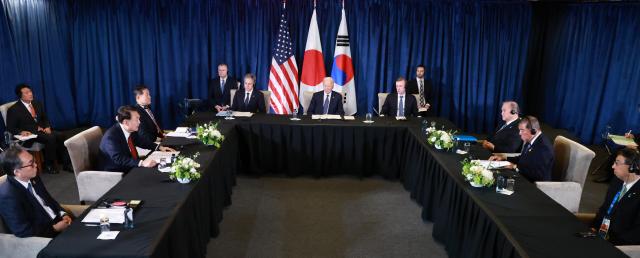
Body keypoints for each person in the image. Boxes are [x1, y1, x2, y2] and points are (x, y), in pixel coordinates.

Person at [0, 147, 72, 237]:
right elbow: (23, 231)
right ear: (17, 172)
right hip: (46, 236)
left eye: (34, 161)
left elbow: (49, 200)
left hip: (60, 222)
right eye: (31, 164)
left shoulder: (33, 177)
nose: (36, 165)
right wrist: (55, 228)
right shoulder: (8, 195)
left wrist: (63, 214)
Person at [6, 84, 71, 174]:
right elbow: (10, 127)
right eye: (27, 93)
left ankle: (66, 163)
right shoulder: (13, 109)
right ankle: (49, 165)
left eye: (30, 91)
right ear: (20, 96)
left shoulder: (37, 103)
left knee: (61, 135)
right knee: (50, 138)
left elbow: (44, 118)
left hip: (41, 130)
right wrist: (21, 131)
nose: (30, 94)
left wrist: (47, 126)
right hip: (30, 134)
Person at [98, 106, 175, 173]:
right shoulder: (111, 137)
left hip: (131, 165)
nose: (139, 122)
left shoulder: (130, 130)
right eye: (137, 119)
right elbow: (119, 158)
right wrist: (142, 163)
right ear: (126, 122)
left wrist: (159, 147)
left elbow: (141, 142)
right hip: (117, 172)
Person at [591, 148, 640, 245]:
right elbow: (605, 208)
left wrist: (612, 243)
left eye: (617, 163)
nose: (613, 166)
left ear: (632, 167)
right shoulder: (616, 181)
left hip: (622, 244)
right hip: (603, 235)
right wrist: (594, 227)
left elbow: (636, 231)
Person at [489, 116, 553, 182]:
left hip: (534, 185)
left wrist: (515, 167)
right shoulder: (531, 139)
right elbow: (523, 158)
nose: (519, 133)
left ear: (533, 131)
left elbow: (538, 174)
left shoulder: (544, 147)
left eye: (522, 130)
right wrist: (505, 158)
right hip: (524, 175)